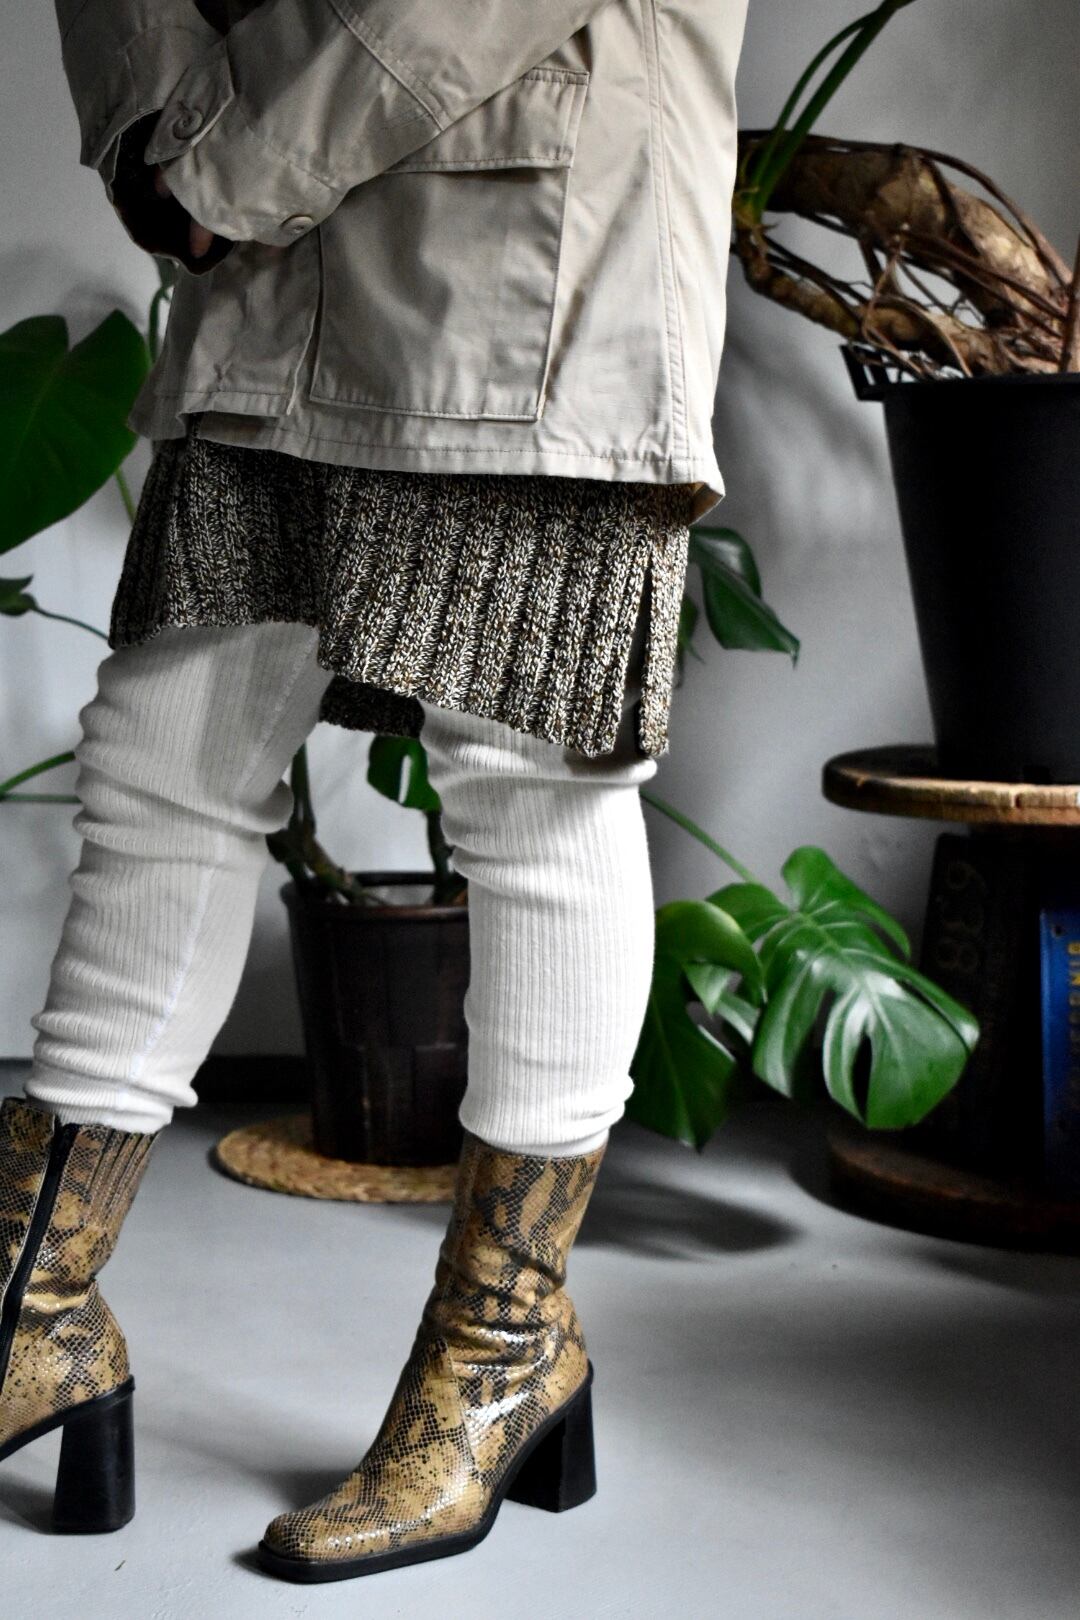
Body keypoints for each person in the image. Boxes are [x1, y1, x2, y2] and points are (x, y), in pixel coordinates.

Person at [0, 0, 749, 1584]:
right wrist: (155, 126)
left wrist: (230, 159)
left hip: (536, 231)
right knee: (167, 747)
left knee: (527, 779)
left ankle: (503, 1349)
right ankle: (31, 1305)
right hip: (256, 267)